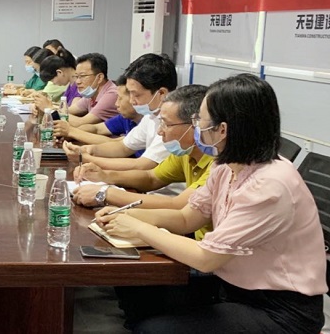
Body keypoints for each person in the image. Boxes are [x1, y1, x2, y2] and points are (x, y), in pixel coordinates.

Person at [96, 74, 326, 333]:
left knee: (154, 329)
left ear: (222, 129)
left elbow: (205, 258)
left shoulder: (270, 185)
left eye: (199, 121)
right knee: (139, 289)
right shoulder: (226, 166)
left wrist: (139, 228)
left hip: (279, 310)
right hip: (233, 286)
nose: (197, 127)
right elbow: (187, 218)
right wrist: (125, 215)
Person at [73, 86, 214, 240]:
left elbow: (178, 206)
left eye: (167, 124)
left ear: (196, 125)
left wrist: (107, 193)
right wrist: (105, 175)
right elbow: (151, 178)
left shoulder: (217, 163)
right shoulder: (186, 152)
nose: (160, 131)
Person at [64, 53, 175, 171]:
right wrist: (88, 150)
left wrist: (86, 158)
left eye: (136, 95)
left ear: (161, 93)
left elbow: (143, 165)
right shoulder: (151, 117)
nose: (131, 101)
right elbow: (123, 147)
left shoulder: (174, 122)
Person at [54, 75, 143, 147]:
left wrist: (71, 131)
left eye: (120, 98)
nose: (116, 104)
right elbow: (97, 129)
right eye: (77, 76)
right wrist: (69, 135)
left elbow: (117, 144)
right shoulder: (125, 118)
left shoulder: (146, 122)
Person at [67, 53, 119, 126]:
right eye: (76, 76)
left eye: (82, 76)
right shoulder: (91, 92)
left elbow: (81, 123)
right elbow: (69, 110)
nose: (77, 82)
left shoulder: (112, 94)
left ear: (100, 78)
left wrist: (54, 112)